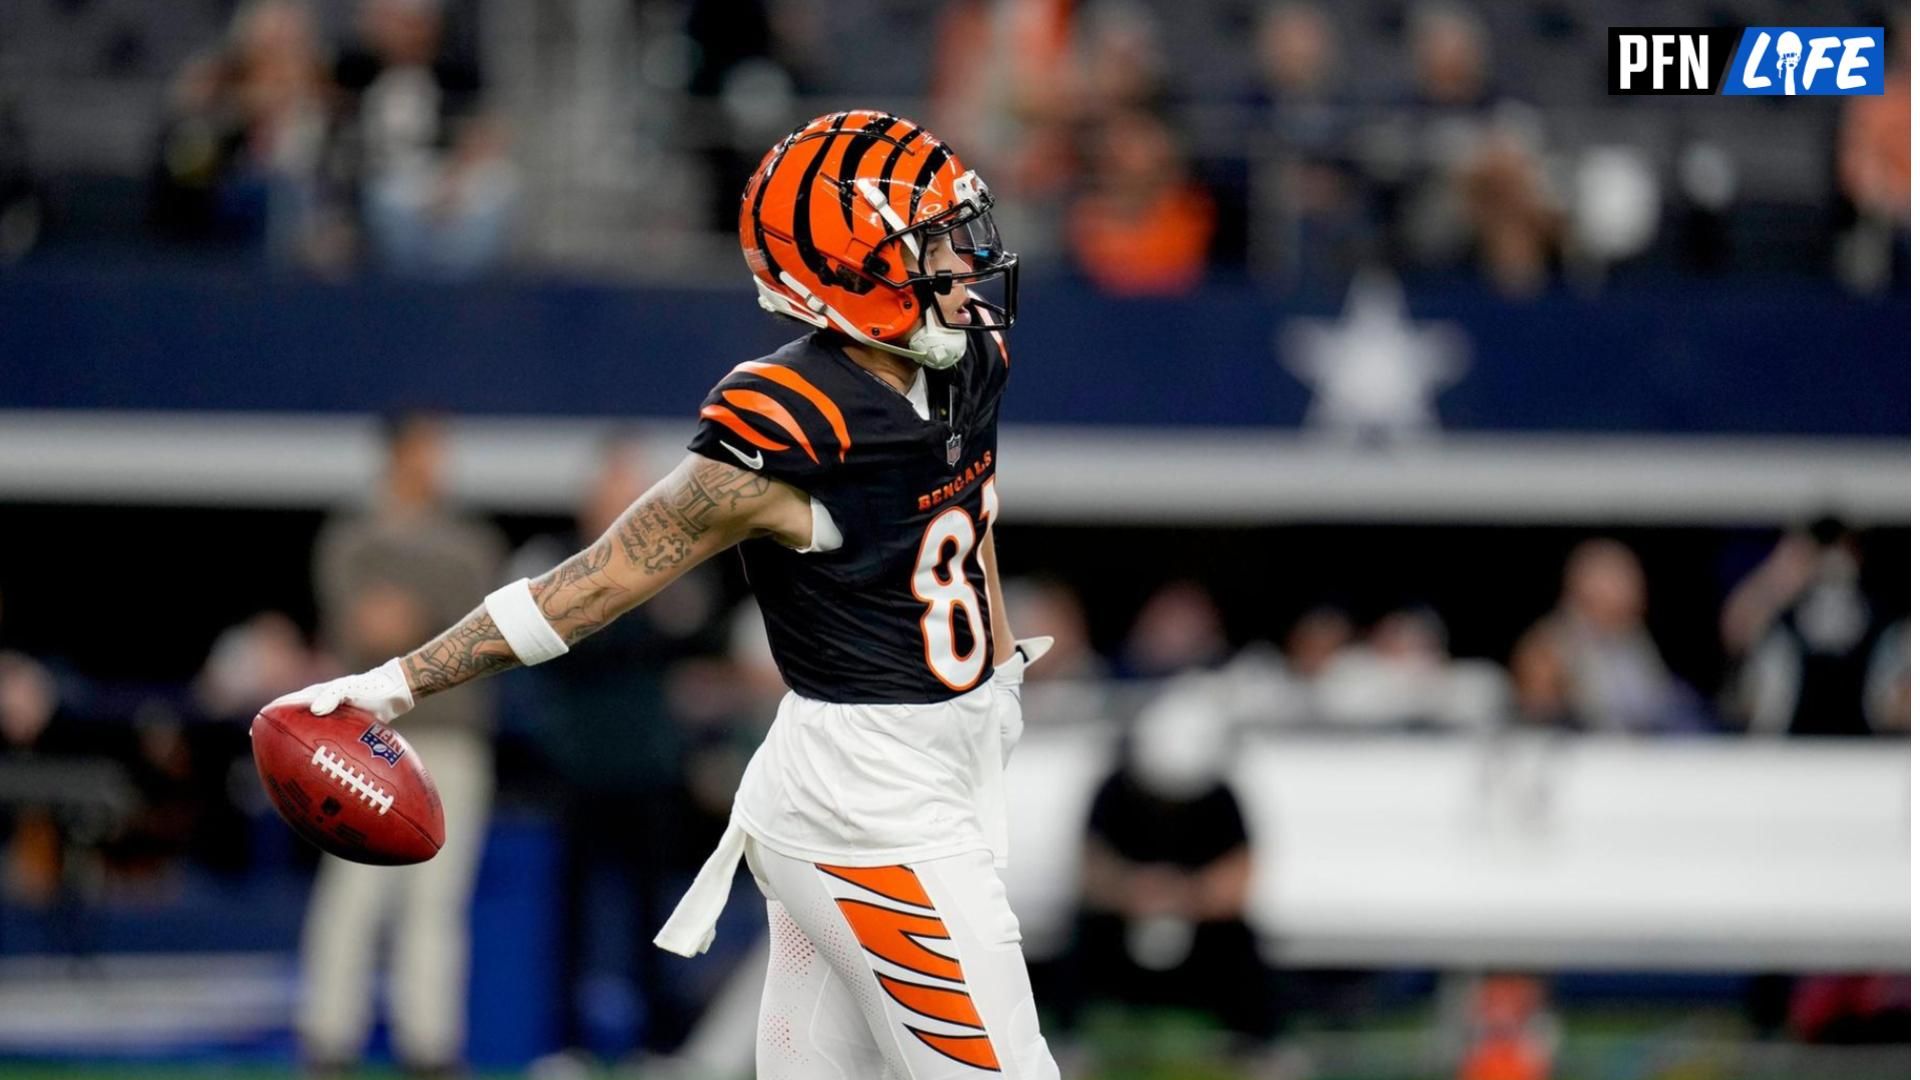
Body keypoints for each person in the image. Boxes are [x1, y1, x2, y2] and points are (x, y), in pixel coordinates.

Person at [270, 111, 1060, 1079]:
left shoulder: (970, 351)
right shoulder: (787, 425)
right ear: (853, 270)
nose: (963, 263)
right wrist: (394, 684)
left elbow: (969, 513)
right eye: (930, 242)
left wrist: (997, 680)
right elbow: (590, 584)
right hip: (872, 796)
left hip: (938, 757)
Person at [296, 413, 507, 1078]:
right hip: (366, 739)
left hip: (450, 735)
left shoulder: (470, 538)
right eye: (423, 449)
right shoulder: (352, 534)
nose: (434, 461)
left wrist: (411, 611)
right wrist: (408, 615)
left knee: (437, 900)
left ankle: (430, 1045)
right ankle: (329, 1039)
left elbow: (475, 612)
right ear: (396, 454)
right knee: (352, 894)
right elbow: (354, 614)